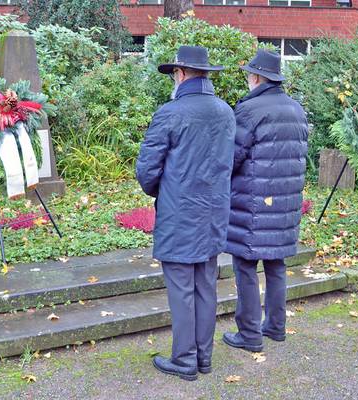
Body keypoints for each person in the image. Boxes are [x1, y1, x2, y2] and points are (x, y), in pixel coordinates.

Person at [136, 45, 236, 381]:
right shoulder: (225, 112)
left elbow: (147, 169)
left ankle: (184, 360)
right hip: (212, 212)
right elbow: (228, 165)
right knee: (205, 285)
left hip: (180, 214)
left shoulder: (171, 112)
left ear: (180, 74)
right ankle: (202, 358)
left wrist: (163, 193)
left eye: (173, 75)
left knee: (182, 288)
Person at [222, 49, 309, 353]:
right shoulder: (297, 110)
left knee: (245, 265)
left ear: (257, 77)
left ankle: (249, 334)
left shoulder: (250, 110)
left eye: (249, 75)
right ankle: (276, 326)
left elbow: (232, 157)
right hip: (285, 204)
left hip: (252, 204)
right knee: (276, 265)